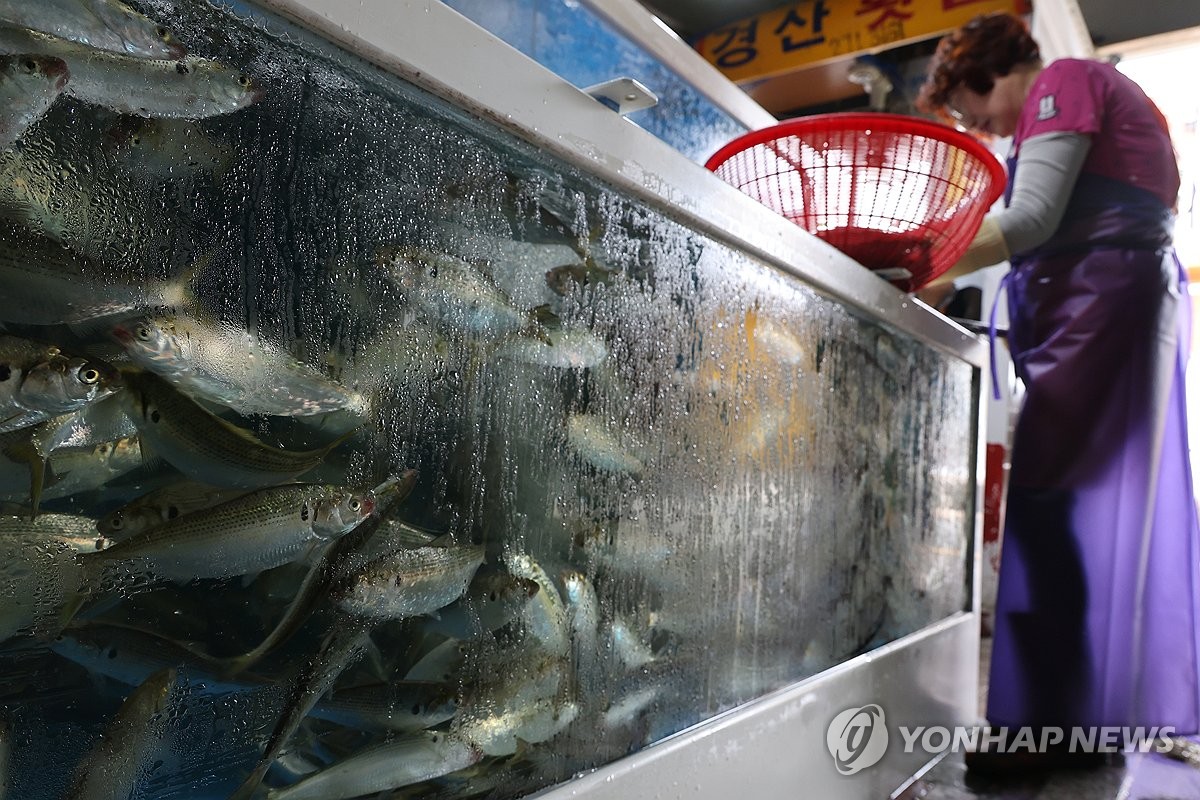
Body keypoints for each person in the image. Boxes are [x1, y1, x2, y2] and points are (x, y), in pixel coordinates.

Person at [917, 12, 1200, 765]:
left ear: (992, 73)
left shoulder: (1064, 81)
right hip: (1113, 303)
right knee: (1070, 520)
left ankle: (1039, 735)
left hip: (1100, 303)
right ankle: (1079, 724)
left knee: (1046, 513)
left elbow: (1034, 217)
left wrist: (925, 264)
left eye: (973, 108)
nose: (979, 125)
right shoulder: (1085, 92)